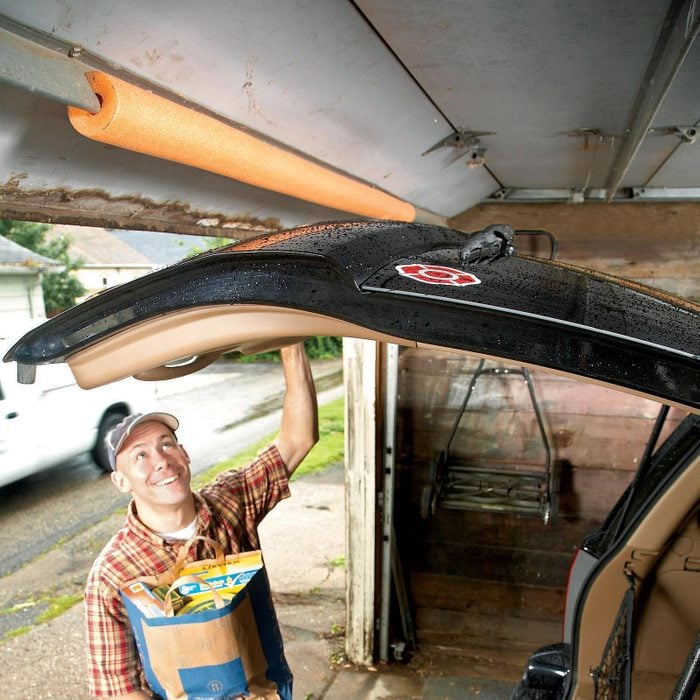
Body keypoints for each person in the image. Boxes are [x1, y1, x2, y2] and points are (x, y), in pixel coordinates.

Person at [84, 342, 318, 699]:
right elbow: (118, 688)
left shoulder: (230, 501)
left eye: (166, 444)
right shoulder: (112, 574)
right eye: (140, 455)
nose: (160, 461)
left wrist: (290, 344)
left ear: (185, 453)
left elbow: (298, 439)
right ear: (120, 481)